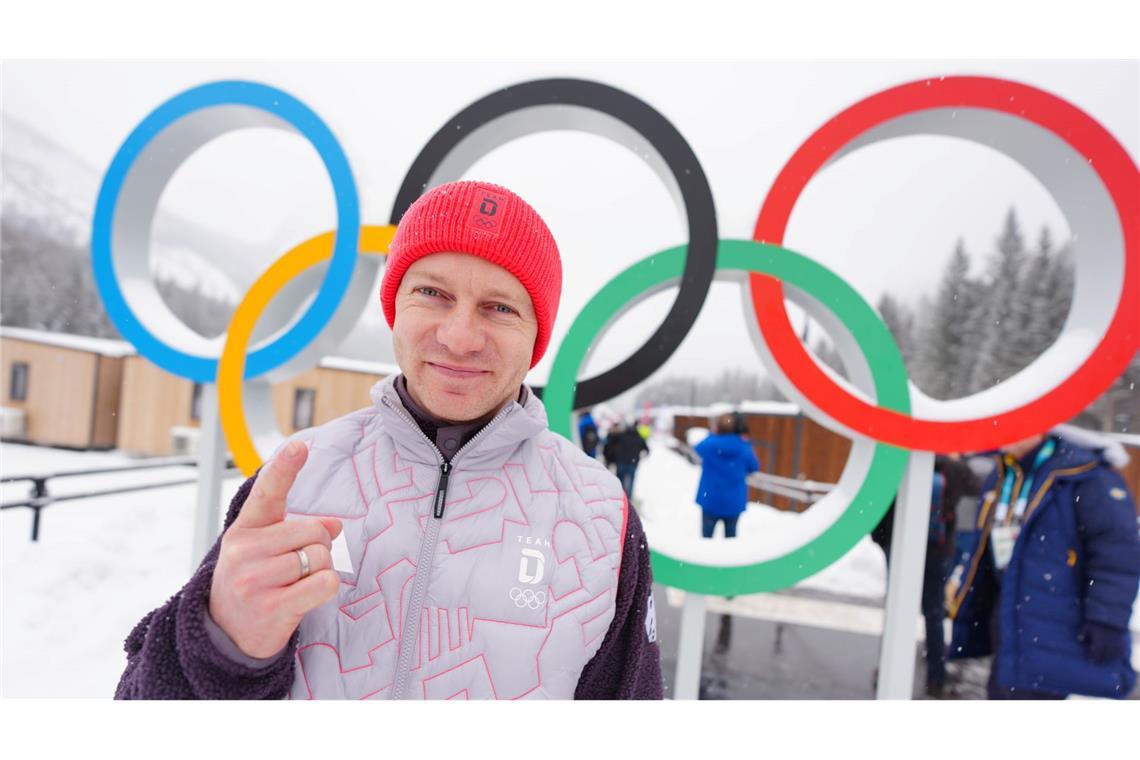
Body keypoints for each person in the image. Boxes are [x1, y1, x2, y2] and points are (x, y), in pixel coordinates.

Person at [115, 181, 663, 700]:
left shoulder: (602, 520)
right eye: (433, 293)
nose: (459, 338)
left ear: (536, 333)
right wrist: (221, 647)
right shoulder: (297, 480)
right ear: (395, 308)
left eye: (500, 308)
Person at [946, 428, 1140, 699]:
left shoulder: (1085, 475)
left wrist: (1107, 619)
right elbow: (985, 548)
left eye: (1016, 423)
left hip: (1055, 622)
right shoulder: (1002, 474)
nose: (1005, 431)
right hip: (1009, 615)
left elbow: (1117, 553)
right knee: (1005, 691)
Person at [694, 414, 760, 540]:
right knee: (731, 541)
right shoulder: (744, 447)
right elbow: (754, 467)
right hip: (733, 502)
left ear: (717, 428)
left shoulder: (710, 444)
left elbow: (697, 448)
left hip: (710, 499)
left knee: (706, 540)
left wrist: (713, 435)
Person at [603, 420, 649, 500]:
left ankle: (619, 497)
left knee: (619, 481)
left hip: (621, 462)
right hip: (633, 463)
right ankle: (628, 500)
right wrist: (640, 456)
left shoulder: (621, 436)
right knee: (630, 482)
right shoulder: (638, 437)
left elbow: (610, 443)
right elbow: (647, 450)